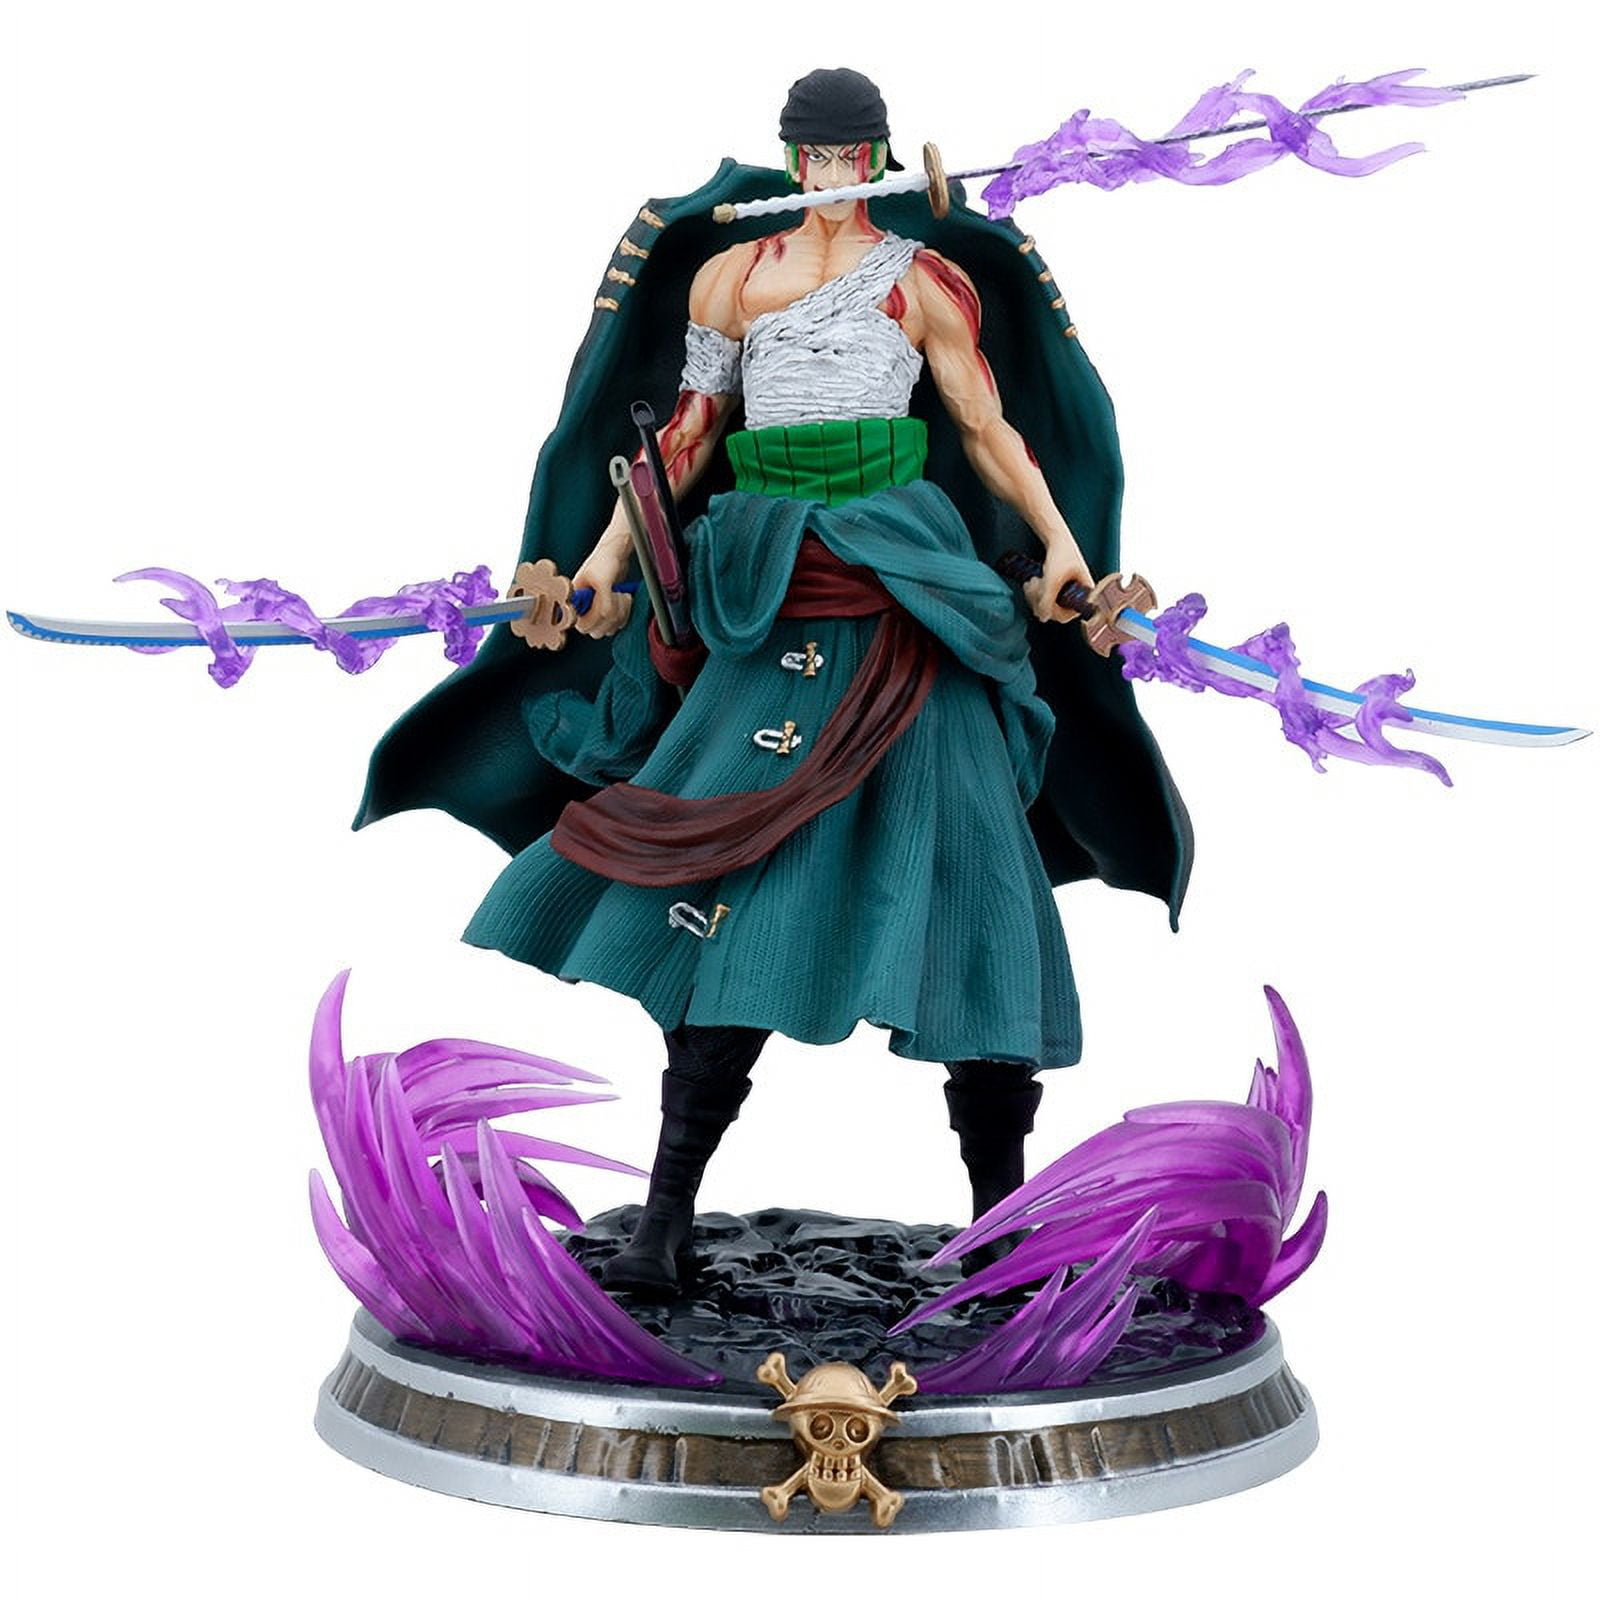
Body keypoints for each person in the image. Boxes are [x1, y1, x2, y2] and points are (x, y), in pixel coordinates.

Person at [357, 68, 1193, 1297]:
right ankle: (661, 1222)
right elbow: (685, 438)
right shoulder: (732, 277)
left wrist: (1063, 545)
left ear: (878, 158)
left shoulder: (920, 279)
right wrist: (600, 566)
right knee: (727, 884)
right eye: (816, 155)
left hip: (906, 594)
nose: (833, 175)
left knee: (970, 880)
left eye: (853, 155)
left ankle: (998, 1228)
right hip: (764, 584)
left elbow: (982, 425)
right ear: (794, 159)